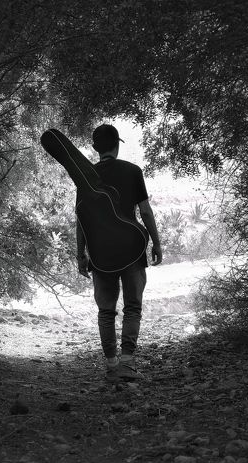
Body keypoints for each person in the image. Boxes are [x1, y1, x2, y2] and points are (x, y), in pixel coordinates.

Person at [76, 124, 162, 381]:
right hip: (132, 248)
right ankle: (127, 361)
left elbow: (81, 219)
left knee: (106, 310)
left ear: (95, 148)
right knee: (132, 306)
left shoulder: (85, 177)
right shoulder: (132, 171)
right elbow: (145, 211)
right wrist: (156, 243)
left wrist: (81, 254)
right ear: (117, 144)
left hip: (101, 254)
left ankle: (111, 365)